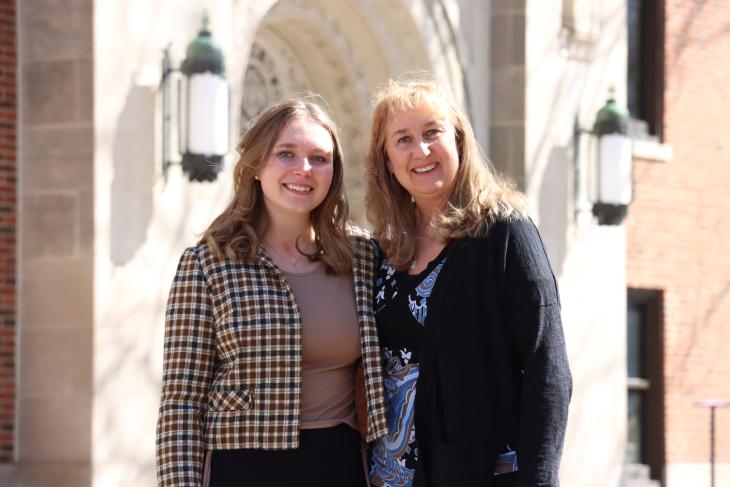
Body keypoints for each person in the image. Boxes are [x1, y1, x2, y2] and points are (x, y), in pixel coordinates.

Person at [156, 97, 388, 487]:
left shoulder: (363, 256)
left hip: (341, 463)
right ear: (256, 166)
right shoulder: (207, 264)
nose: (304, 169)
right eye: (286, 154)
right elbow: (181, 403)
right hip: (243, 466)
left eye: (319, 158)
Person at [364, 77, 572, 487]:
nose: (420, 151)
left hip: (480, 472)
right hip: (389, 476)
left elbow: (548, 368)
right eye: (402, 139)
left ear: (459, 141)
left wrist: (540, 479)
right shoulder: (384, 249)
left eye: (432, 133)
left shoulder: (505, 233)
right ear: (387, 160)